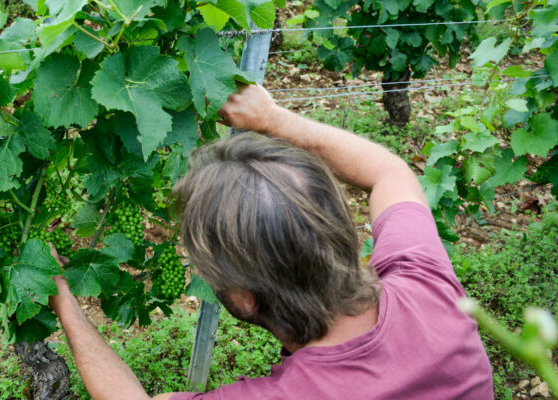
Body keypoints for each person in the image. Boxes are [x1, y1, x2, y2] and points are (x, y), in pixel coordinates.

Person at [47, 85, 495, 399]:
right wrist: (272, 119)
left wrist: (61, 296)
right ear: (338, 227)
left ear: (243, 298)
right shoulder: (427, 288)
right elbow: (391, 173)